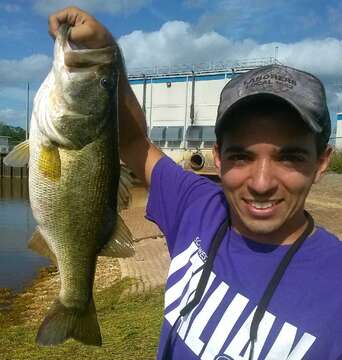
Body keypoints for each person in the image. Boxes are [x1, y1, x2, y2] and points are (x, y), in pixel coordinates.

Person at [49, 7, 342, 360]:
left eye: (289, 157)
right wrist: (108, 55)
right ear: (218, 157)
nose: (261, 183)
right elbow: (133, 142)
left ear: (321, 162)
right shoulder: (197, 205)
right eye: (242, 156)